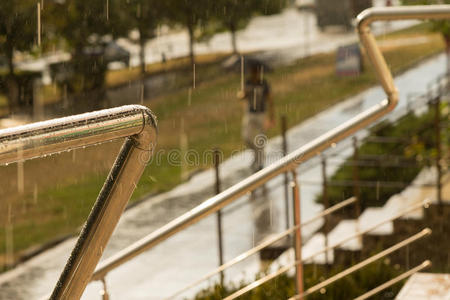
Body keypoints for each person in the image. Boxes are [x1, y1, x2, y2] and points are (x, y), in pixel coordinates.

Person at [238, 63, 275, 172]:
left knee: (260, 139)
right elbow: (241, 96)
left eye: (256, 71)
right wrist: (243, 93)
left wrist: (271, 117)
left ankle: (260, 162)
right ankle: (256, 155)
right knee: (246, 136)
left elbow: (270, 100)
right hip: (250, 113)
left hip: (261, 114)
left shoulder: (264, 83)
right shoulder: (247, 82)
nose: (254, 74)